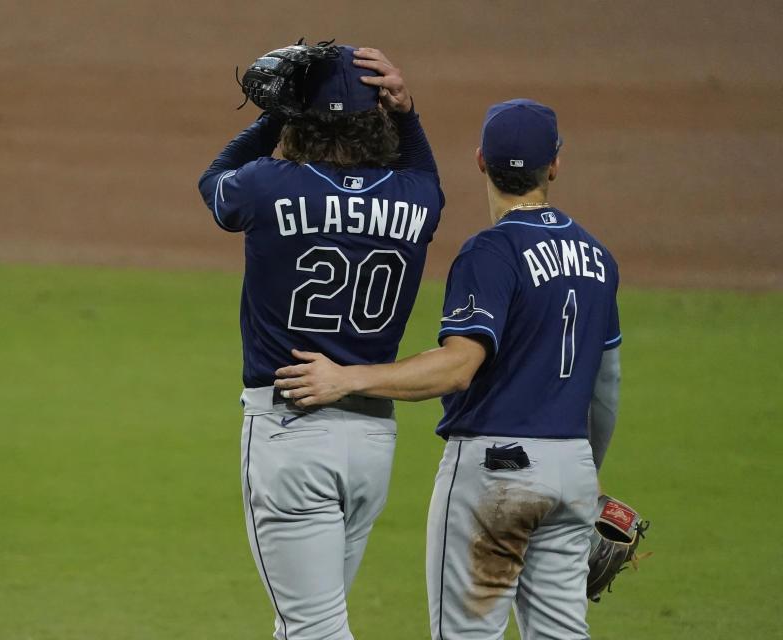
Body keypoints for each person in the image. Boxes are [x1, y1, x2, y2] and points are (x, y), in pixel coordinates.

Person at [275, 99, 622, 639]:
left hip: (495, 480)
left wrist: (348, 378)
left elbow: (459, 367)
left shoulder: (491, 252)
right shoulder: (599, 258)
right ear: (555, 165)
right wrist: (584, 469)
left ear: (481, 161)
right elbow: (607, 384)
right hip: (572, 471)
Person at [197, 46, 444, 640]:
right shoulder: (416, 198)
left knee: (313, 631)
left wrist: (274, 117)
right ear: (375, 118)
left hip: (292, 441)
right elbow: (425, 172)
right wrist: (408, 114)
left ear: (302, 120)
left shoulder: (266, 185)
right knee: (303, 626)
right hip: (370, 446)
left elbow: (214, 181)